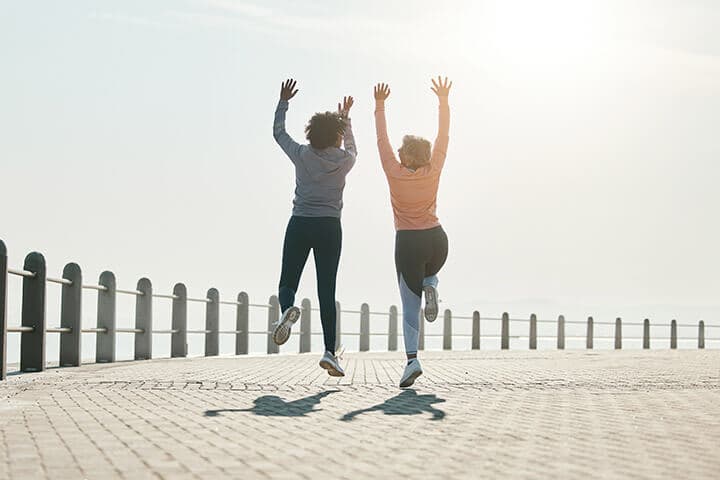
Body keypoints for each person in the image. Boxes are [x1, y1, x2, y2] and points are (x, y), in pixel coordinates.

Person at [271, 78, 356, 377]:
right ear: (336, 136)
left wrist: (284, 102)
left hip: (300, 223)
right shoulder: (345, 161)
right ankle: (330, 354)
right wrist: (346, 120)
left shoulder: (302, 154)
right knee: (326, 289)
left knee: (288, 277)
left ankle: (286, 311)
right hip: (330, 228)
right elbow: (352, 148)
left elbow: (278, 133)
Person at [373, 76, 452, 387]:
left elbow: (382, 141)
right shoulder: (435, 169)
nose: (397, 151)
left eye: (401, 149)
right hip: (438, 241)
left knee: (409, 305)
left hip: (409, 243)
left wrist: (379, 106)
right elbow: (444, 136)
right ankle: (432, 281)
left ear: (405, 156)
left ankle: (411, 360)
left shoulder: (394, 172)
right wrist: (443, 101)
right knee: (429, 276)